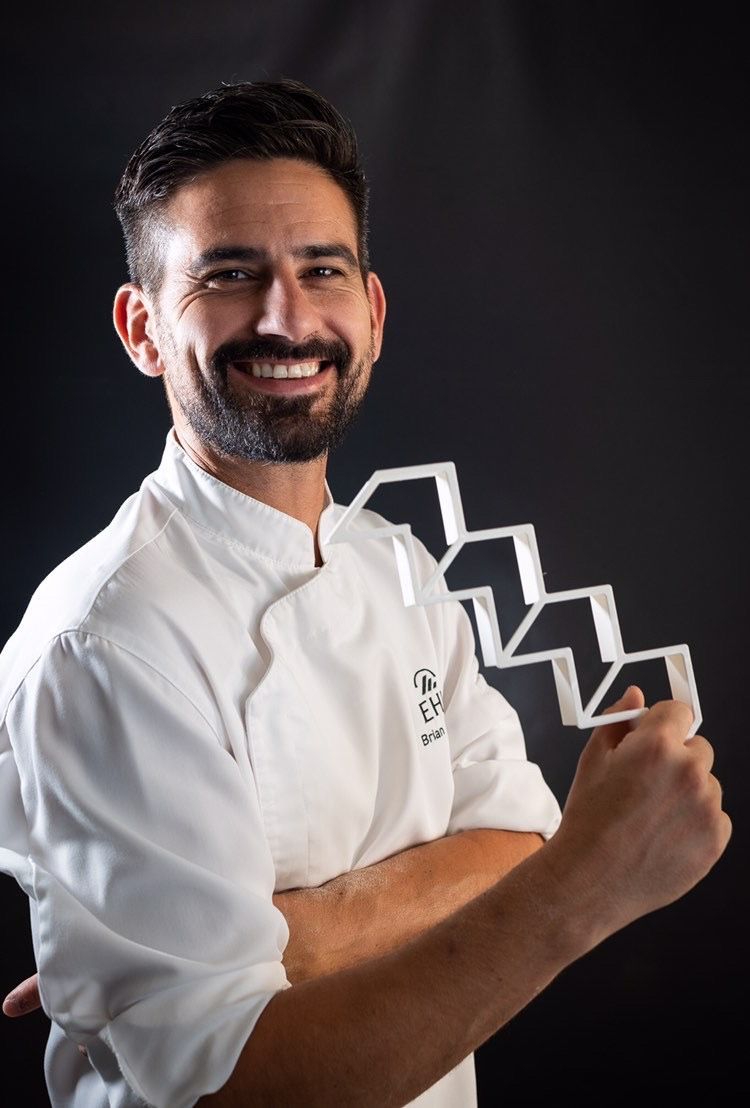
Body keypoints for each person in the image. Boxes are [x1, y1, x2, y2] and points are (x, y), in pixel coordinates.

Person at [0, 78, 730, 1108]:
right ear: (142, 328)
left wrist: (284, 932)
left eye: (321, 269)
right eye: (229, 274)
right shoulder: (106, 642)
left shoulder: (399, 564)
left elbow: (516, 838)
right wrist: (583, 887)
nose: (286, 315)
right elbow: (232, 1085)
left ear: (373, 313)